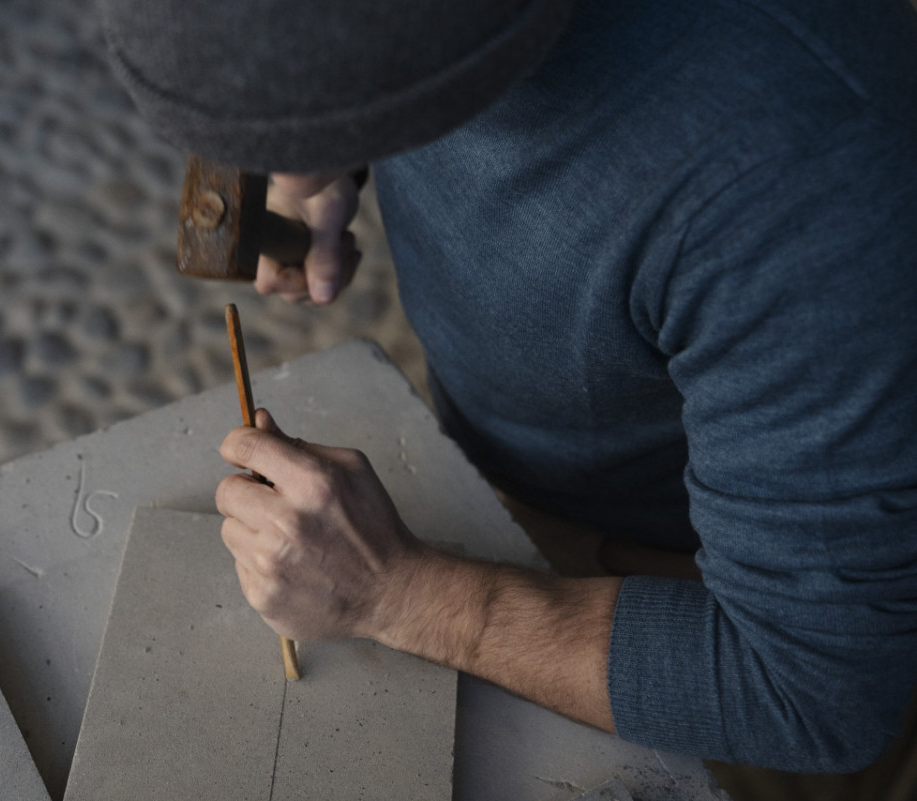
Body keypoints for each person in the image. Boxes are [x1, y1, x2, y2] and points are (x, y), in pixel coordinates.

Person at [101, 0, 917, 789]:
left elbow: (814, 694)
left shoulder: (801, 175)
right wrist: (328, 152)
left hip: (703, 586)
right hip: (513, 460)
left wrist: (399, 593)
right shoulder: (416, 32)